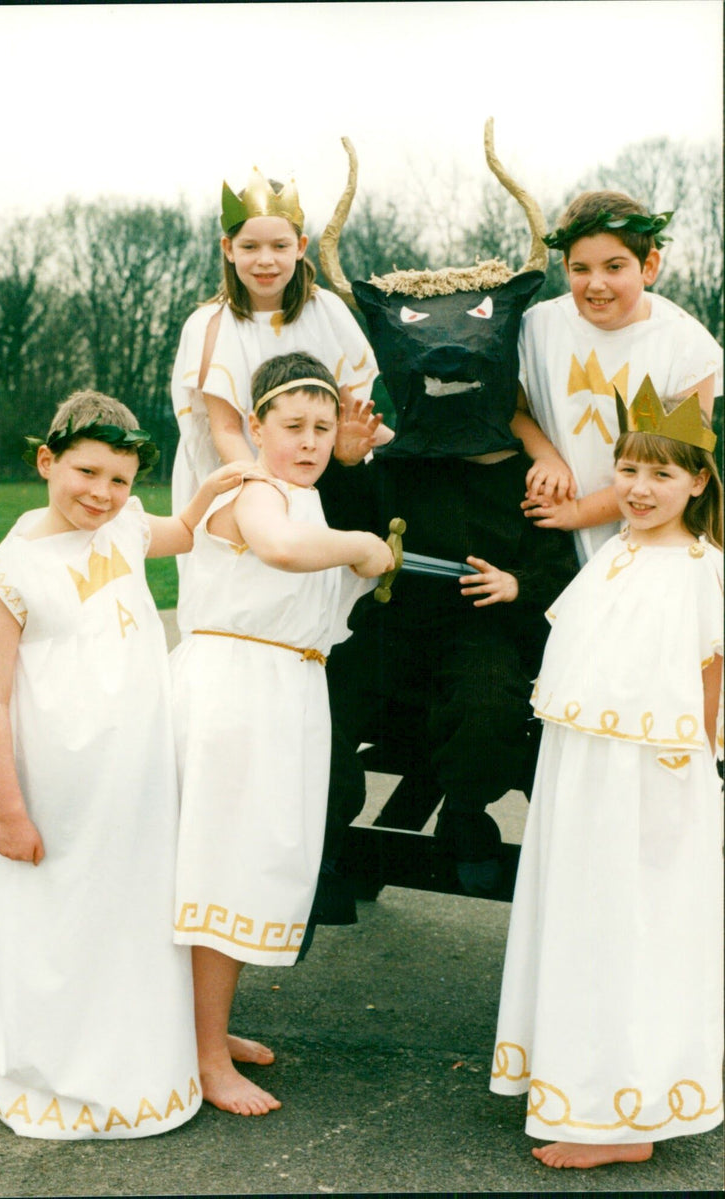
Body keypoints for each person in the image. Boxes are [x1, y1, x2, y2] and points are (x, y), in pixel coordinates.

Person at [0, 389, 254, 1140]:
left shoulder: (126, 525)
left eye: (119, 480)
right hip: (49, 791)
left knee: (129, 921)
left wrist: (215, 491)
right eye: (86, 472)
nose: (100, 493)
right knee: (57, 928)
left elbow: (185, 534)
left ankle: (141, 1066)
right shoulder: (9, 568)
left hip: (132, 781)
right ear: (46, 461)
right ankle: (56, 1077)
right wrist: (10, 812)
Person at [490, 376, 723, 1168]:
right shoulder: (615, 553)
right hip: (583, 773)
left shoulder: (701, 567)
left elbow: (713, 677)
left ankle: (628, 1116)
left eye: (662, 474)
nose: (640, 487)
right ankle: (575, 1078)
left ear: (698, 480)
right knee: (582, 917)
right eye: (628, 469)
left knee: (632, 923)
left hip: (647, 781)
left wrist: (696, 776)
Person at [170, 352, 394, 1117]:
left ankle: (207, 1028)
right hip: (235, 691)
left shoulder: (305, 498)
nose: (308, 442)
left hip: (284, 689)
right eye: (291, 425)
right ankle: (204, 1057)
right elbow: (282, 553)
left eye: (322, 428)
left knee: (243, 859)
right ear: (256, 427)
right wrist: (366, 546)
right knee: (218, 865)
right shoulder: (255, 491)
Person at [170, 164, 391, 637]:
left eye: (279, 246)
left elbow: (352, 412)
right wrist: (268, 491)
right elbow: (225, 428)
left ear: (301, 247)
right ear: (228, 250)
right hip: (243, 483)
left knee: (320, 613)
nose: (264, 260)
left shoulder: (325, 311)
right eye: (249, 247)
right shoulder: (210, 326)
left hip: (321, 475)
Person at [517, 190, 723, 564]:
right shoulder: (536, 326)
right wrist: (545, 457)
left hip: (647, 542)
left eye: (614, 267)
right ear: (565, 268)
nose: (597, 284)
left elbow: (677, 468)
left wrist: (580, 513)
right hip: (549, 541)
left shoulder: (689, 346)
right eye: (581, 269)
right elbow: (511, 408)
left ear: (649, 266)